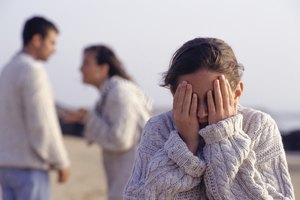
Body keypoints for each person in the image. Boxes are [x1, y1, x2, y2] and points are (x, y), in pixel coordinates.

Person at [123, 37, 295, 199]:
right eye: (193, 99)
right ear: (174, 93)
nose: (203, 112)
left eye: (214, 99)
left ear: (237, 93)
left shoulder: (259, 126)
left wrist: (223, 138)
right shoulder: (159, 128)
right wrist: (185, 146)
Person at [63, 45, 152, 200]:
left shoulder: (120, 92)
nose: (81, 68)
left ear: (104, 68)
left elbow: (120, 139)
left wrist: (89, 118)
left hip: (132, 183)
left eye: (86, 63)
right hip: (126, 180)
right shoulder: (110, 92)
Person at [0, 16, 70, 200]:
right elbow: (42, 122)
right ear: (37, 40)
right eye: (52, 42)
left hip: (6, 165)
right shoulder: (33, 70)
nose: (54, 49)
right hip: (29, 168)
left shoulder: (7, 69)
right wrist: (60, 160)